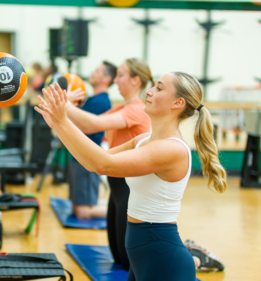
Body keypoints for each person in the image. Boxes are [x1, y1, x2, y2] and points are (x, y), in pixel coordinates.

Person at [35, 71, 227, 280]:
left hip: (163, 257)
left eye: (159, 88)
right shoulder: (143, 140)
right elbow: (93, 161)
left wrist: (63, 121)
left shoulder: (172, 150)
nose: (149, 91)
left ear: (178, 103)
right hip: (141, 253)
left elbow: (102, 164)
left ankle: (196, 257)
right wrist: (57, 124)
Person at [66, 58, 153, 270]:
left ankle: (192, 255)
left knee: (126, 261)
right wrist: (62, 108)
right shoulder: (121, 107)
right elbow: (86, 126)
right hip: (116, 184)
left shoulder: (136, 109)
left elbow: (94, 123)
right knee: (117, 257)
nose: (115, 80)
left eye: (120, 75)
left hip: (130, 185)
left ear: (135, 80)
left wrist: (64, 104)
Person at [66, 61, 116, 219]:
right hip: (77, 156)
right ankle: (117, 204)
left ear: (106, 79)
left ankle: (125, 210)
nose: (93, 73)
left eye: (97, 71)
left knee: (83, 212)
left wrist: (66, 103)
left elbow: (78, 124)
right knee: (77, 207)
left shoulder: (102, 101)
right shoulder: (93, 100)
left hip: (86, 160)